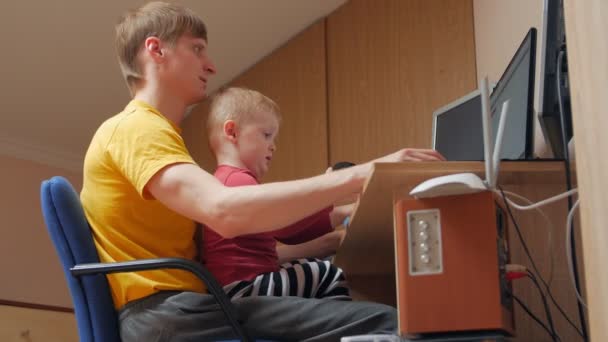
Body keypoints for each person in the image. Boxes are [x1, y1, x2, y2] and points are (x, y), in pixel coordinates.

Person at [79, 2, 445, 341]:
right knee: (392, 323)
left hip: (176, 312)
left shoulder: (158, 137)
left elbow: (234, 235)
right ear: (156, 50)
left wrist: (328, 240)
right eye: (197, 49)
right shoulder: (136, 130)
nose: (211, 65)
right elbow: (226, 210)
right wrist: (361, 174)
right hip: (171, 317)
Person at [203, 87, 352, 301]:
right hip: (244, 287)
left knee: (306, 268)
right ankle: (339, 324)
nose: (273, 146)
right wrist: (328, 191)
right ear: (232, 132)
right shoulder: (235, 181)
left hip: (243, 285)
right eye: (266, 135)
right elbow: (286, 224)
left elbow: (291, 233)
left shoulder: (233, 181)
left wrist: (336, 211)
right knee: (327, 273)